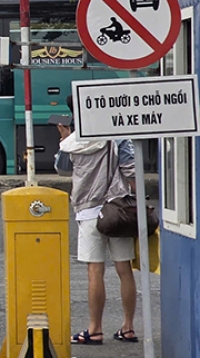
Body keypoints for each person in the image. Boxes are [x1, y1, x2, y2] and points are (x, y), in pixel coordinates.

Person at [55, 96, 139, 345]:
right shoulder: (118, 136)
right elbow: (132, 172)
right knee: (124, 269)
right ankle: (128, 327)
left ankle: (95, 329)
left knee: (95, 272)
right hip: (118, 210)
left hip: (88, 211)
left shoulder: (71, 142)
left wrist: (64, 137)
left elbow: (62, 169)